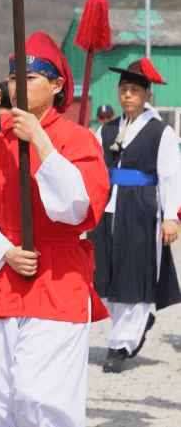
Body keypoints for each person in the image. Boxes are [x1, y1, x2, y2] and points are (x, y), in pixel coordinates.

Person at [0, 31, 110, 427]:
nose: (17, 86)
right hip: (4, 280)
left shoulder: (78, 139)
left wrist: (41, 141)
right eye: (13, 78)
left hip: (58, 280)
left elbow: (78, 208)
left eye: (30, 78)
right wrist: (5, 251)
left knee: (40, 395)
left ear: (57, 85)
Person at [89, 59, 181, 373]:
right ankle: (129, 328)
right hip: (109, 207)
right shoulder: (107, 129)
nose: (127, 95)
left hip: (141, 207)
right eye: (124, 90)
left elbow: (171, 175)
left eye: (134, 90)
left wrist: (171, 216)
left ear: (146, 95)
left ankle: (121, 344)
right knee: (109, 274)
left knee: (134, 273)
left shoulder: (160, 132)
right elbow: (92, 168)